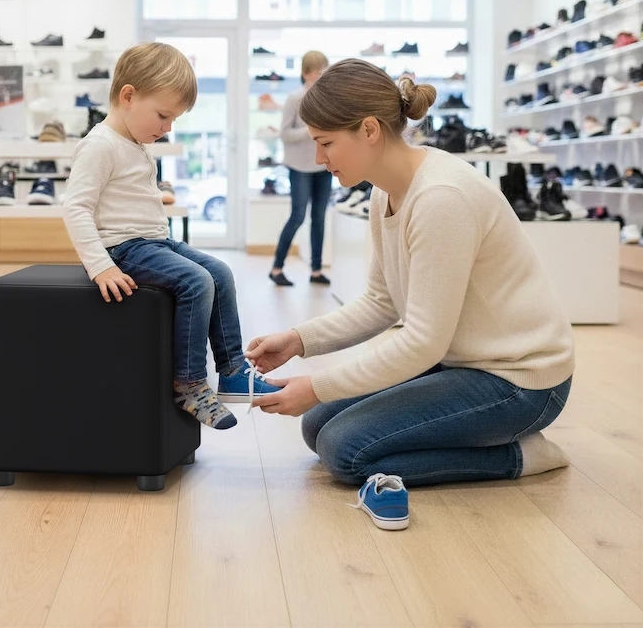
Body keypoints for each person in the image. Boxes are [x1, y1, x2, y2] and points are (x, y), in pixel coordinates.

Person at [246, 59, 574, 528]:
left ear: (370, 130)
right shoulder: (386, 190)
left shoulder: (441, 198)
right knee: (316, 425)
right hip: (463, 364)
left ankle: (518, 456)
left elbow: (422, 342)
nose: (319, 160)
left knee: (344, 451)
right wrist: (299, 340)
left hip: (520, 382)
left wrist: (316, 385)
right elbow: (381, 303)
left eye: (325, 144)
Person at [64, 42, 280, 431]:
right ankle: (191, 384)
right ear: (128, 96)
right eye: (163, 116)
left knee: (220, 271)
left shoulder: (134, 141)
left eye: (173, 120)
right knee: (196, 282)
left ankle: (232, 371)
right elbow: (76, 208)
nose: (167, 128)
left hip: (152, 241)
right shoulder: (99, 145)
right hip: (122, 248)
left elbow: (126, 191)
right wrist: (100, 267)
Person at [270, 50, 332, 287]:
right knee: (297, 216)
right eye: (318, 71)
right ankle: (277, 268)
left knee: (319, 217)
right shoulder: (295, 98)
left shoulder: (328, 99)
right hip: (299, 167)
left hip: (324, 166)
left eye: (324, 70)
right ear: (306, 73)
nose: (321, 75)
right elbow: (285, 134)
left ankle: (316, 271)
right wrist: (312, 129)